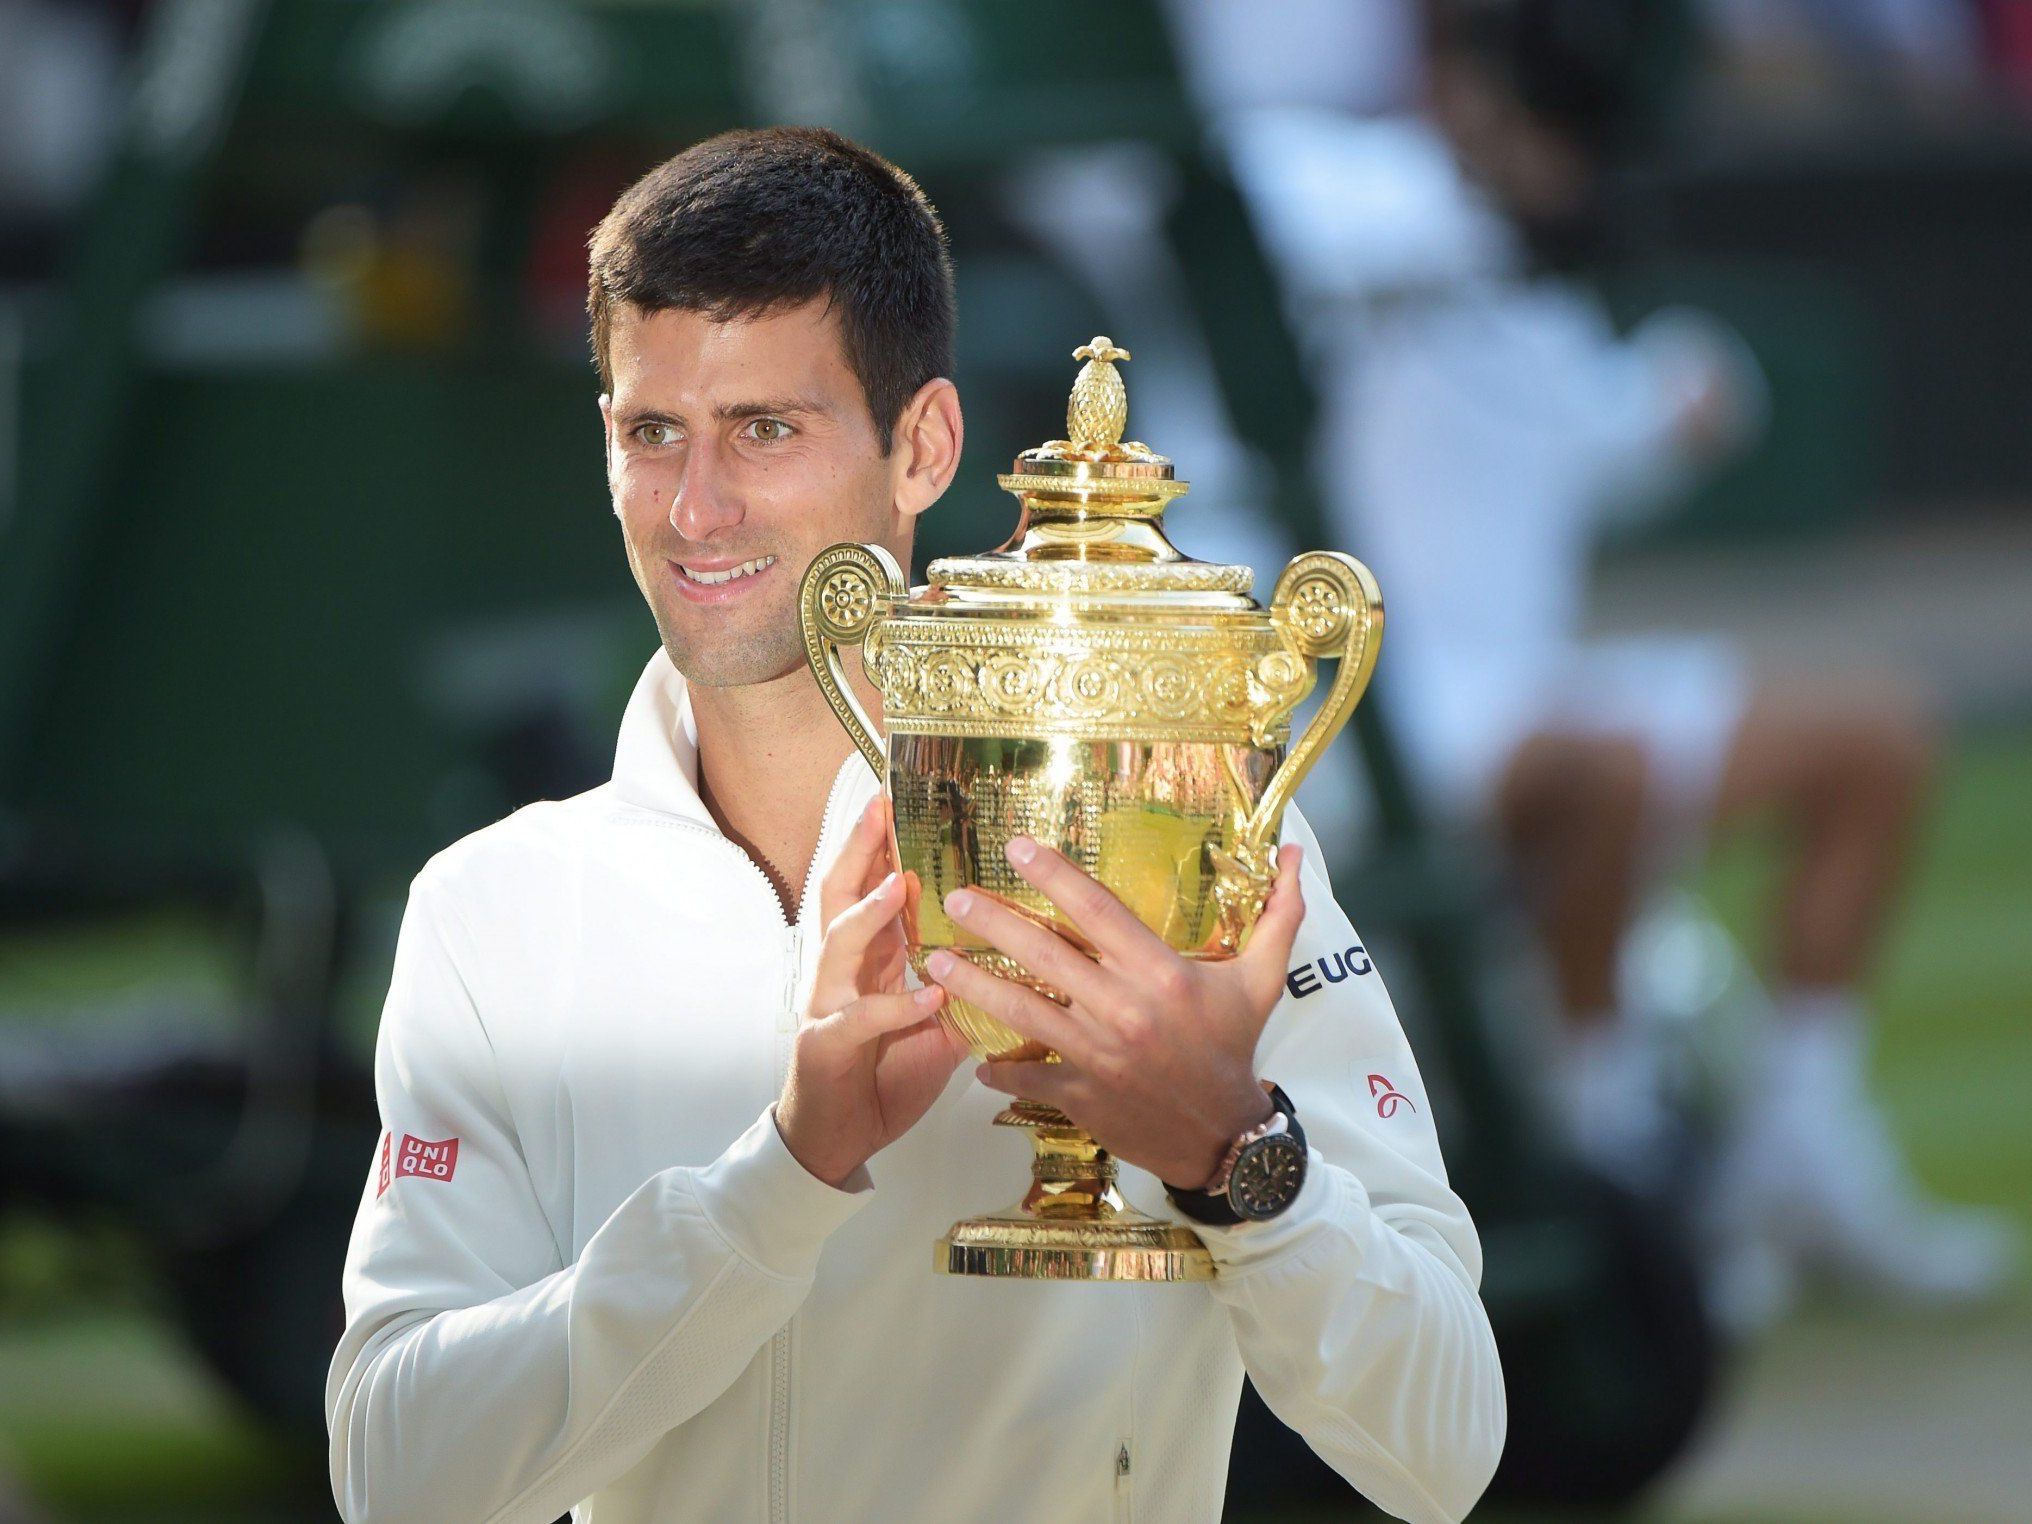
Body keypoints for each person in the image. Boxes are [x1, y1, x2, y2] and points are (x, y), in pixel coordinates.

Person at [324, 127, 1504, 1523]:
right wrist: (782, 1178)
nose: (697, 510)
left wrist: (1237, 1156)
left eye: (767, 429)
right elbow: (397, 1478)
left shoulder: (1190, 850)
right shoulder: (494, 908)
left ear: (923, 446)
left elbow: (1446, 1452)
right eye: (656, 434)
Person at [1195, 0, 2015, 1312]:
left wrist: (1690, 398)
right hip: (1362, 710)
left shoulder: (1539, 275)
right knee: (1606, 776)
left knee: (1878, 738)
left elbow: (1606, 433)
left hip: (1524, 687)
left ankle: (1794, 1151)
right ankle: (1601, 1162)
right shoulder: (1340, 193)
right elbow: (1206, 187)